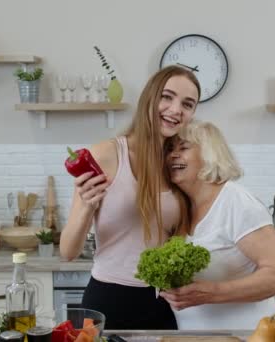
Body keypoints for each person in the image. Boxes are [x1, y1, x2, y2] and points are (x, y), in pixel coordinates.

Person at [59, 65, 200, 329]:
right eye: (167, 97)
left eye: (187, 104)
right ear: (150, 97)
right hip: (109, 300)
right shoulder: (105, 155)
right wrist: (87, 207)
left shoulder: (178, 162)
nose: (176, 109)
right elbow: (68, 251)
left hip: (162, 304)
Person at [160, 120, 275, 330]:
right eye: (169, 150)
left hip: (248, 335)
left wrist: (212, 293)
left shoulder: (235, 201)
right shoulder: (181, 208)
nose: (173, 155)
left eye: (183, 148)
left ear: (209, 154)